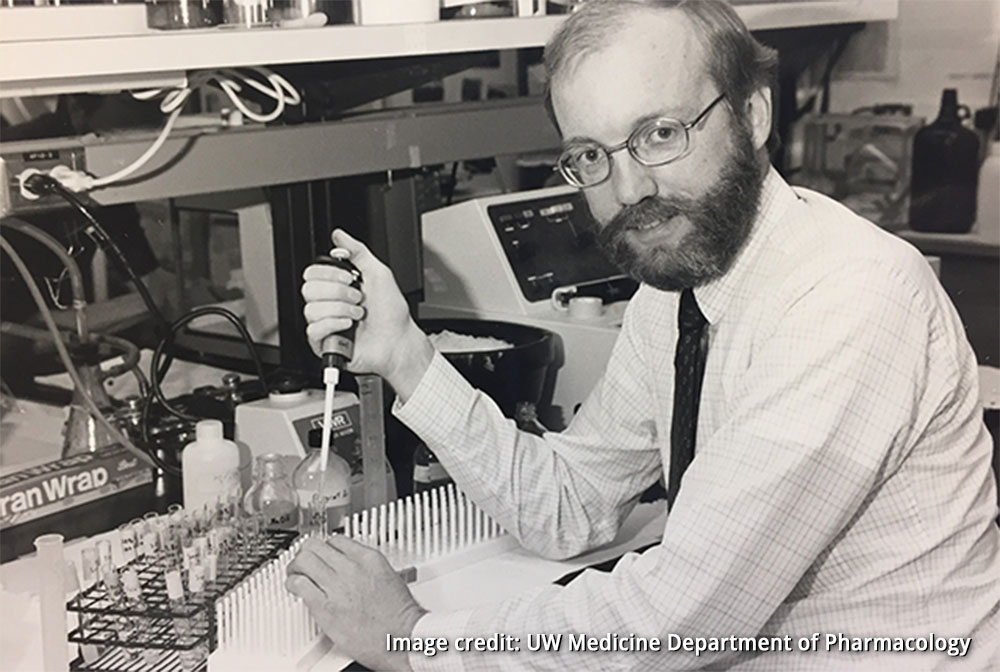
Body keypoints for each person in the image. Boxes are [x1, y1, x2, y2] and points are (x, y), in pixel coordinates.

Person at [287, 1, 1000, 669]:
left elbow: (677, 618)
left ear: (752, 115)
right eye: (592, 156)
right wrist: (406, 356)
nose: (627, 191)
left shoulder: (846, 295)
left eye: (660, 134)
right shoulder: (679, 290)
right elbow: (570, 506)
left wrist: (415, 639)